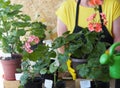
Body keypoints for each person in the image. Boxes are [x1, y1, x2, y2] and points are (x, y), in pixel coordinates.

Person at [55, 0, 120, 87]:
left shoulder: (113, 4)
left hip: (106, 72)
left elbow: (118, 40)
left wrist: (105, 58)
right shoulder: (67, 7)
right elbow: (62, 43)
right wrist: (68, 62)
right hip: (79, 72)